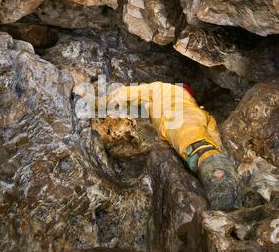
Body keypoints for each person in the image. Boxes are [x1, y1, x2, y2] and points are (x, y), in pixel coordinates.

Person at [101, 81, 240, 211]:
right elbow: (216, 139)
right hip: (192, 118)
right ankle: (230, 193)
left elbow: (125, 93)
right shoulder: (194, 105)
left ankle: (224, 199)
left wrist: (102, 102)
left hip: (180, 118)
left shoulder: (161, 88)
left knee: (201, 149)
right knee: (205, 149)